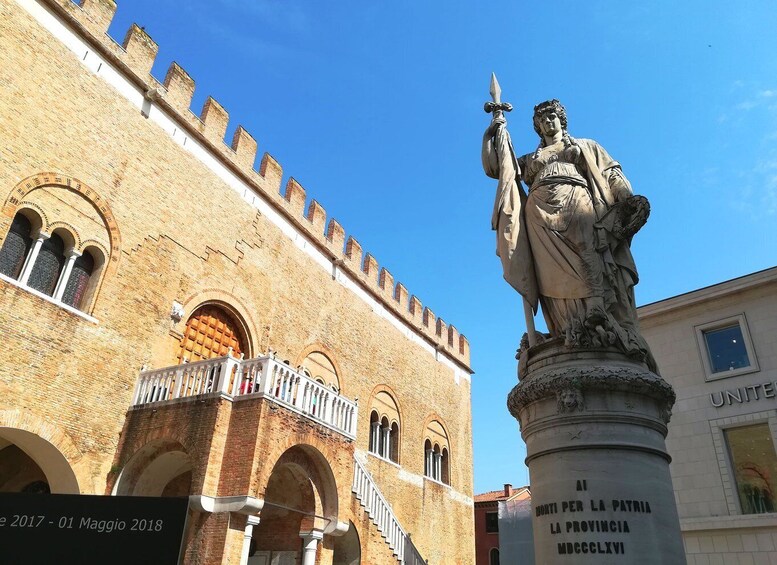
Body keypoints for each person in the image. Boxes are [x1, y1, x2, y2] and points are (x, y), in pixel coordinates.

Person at [483, 99, 656, 371]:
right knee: (549, 274)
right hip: (538, 213)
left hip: (577, 198)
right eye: (542, 120)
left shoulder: (583, 146)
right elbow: (499, 168)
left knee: (589, 250)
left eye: (552, 116)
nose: (547, 121)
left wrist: (626, 199)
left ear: (561, 120)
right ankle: (566, 328)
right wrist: (497, 130)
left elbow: (611, 174)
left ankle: (597, 308)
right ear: (538, 127)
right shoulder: (531, 159)